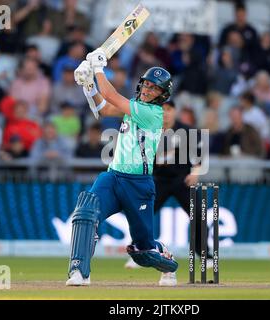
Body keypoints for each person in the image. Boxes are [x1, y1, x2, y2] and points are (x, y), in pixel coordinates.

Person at [66, 48, 178, 287]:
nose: (147, 90)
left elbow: (111, 95)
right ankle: (79, 271)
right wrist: (88, 85)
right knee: (86, 212)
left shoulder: (152, 113)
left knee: (143, 251)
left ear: (162, 94)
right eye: (146, 85)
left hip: (138, 185)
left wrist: (97, 69)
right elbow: (103, 109)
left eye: (154, 88)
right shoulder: (135, 105)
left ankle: (167, 263)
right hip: (113, 176)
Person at [124, 100, 213, 270]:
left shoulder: (187, 131)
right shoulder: (150, 130)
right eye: (162, 109)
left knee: (199, 215)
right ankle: (138, 253)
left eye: (169, 109)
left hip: (183, 180)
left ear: (175, 111)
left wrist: (195, 173)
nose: (165, 113)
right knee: (142, 214)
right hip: (158, 180)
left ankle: (205, 255)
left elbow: (201, 157)